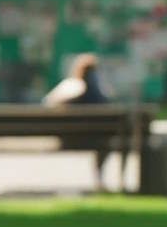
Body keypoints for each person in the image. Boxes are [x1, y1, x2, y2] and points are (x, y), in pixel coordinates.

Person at [42, 52, 115, 192]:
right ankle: (99, 178)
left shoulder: (70, 87)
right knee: (104, 138)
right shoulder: (99, 94)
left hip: (69, 139)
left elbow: (49, 103)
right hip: (97, 140)